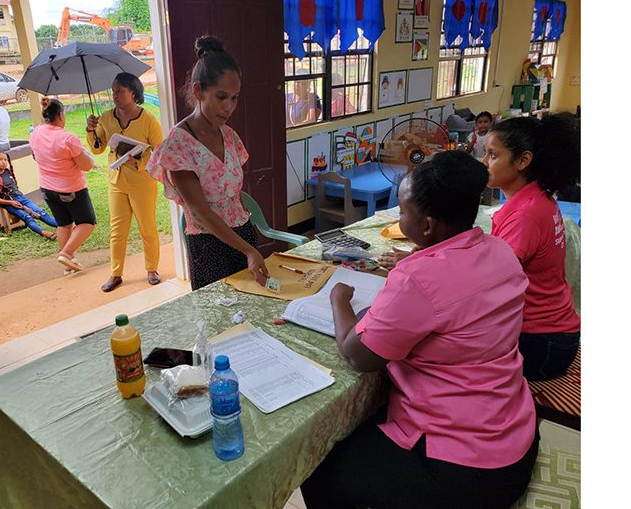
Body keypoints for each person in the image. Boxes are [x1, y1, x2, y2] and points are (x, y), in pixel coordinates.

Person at [301, 152, 537, 509]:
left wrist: (339, 299)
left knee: (318, 467)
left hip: (465, 467)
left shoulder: (418, 278)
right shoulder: (499, 251)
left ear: (427, 225)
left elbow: (355, 354)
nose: (399, 218)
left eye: (401, 212)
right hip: (516, 434)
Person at [148, 36, 269, 290]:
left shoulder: (228, 135)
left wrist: (249, 245)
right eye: (221, 97)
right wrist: (248, 251)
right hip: (209, 246)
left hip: (244, 234)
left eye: (234, 98)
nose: (229, 107)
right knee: (219, 321)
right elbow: (201, 213)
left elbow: (233, 195)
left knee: (252, 310)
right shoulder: (179, 145)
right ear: (197, 91)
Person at [483, 113, 581, 380]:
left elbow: (490, 282)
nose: (484, 163)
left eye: (492, 155)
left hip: (543, 342)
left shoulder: (526, 214)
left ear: (523, 160)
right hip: (556, 334)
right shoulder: (537, 198)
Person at [86, 72, 164, 292]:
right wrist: (92, 130)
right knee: (117, 230)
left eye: (120, 91)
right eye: (113, 91)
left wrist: (138, 159)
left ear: (133, 92)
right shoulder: (107, 118)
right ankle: (116, 273)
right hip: (116, 181)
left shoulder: (148, 119)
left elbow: (159, 152)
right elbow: (98, 148)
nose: (115, 95)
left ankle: (152, 269)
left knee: (147, 227)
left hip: (142, 182)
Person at [29, 99, 96, 273]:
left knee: (64, 224)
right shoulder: (67, 138)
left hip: (47, 189)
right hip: (71, 188)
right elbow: (86, 165)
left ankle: (69, 263)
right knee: (87, 222)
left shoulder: (36, 132)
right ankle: (66, 253)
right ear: (60, 115)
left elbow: (35, 156)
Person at [0, 152, 57, 240]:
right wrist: (11, 203)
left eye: (5, 160)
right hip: (10, 203)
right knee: (27, 217)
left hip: (21, 198)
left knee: (41, 213)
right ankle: (44, 233)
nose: (4, 162)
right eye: (0, 160)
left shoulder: (8, 171)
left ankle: (64, 226)